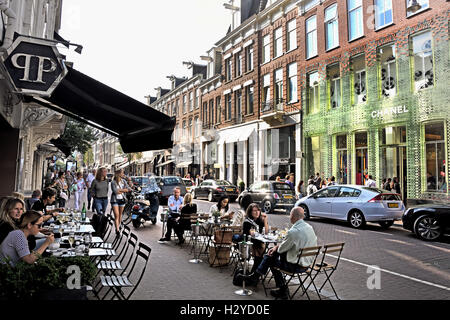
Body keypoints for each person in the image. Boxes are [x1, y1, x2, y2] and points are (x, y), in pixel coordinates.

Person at [244, 206, 317, 299]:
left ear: (293, 216)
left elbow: (281, 249)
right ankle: (256, 276)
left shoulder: (293, 232)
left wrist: (275, 248)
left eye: (290, 214)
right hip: (307, 264)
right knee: (271, 255)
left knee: (271, 259)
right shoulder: (309, 227)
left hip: (295, 266)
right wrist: (276, 248)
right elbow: (284, 247)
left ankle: (281, 289)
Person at [242, 203, 269, 276]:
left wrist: (265, 220)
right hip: (249, 243)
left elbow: (266, 232)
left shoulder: (260, 220)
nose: (257, 212)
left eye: (258, 210)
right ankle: (256, 273)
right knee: (261, 252)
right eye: (254, 211)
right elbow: (248, 236)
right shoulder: (247, 222)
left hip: (259, 243)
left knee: (262, 250)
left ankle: (255, 274)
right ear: (250, 212)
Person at [111, 169, 132, 233]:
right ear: (118, 174)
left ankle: (118, 226)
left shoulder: (124, 181)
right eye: (122, 173)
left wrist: (121, 190)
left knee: (120, 215)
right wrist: (124, 190)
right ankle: (117, 229)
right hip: (115, 200)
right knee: (116, 215)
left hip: (122, 199)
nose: (123, 174)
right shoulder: (113, 182)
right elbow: (115, 191)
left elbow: (128, 189)